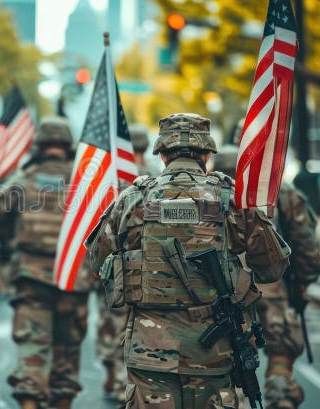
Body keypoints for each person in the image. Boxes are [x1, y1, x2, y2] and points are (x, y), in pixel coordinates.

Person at [87, 113, 290, 408]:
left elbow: (96, 261)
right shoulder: (232, 199)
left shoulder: (134, 198)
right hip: (212, 353)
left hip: (149, 354)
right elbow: (272, 268)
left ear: (162, 154)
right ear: (207, 154)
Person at [0, 116, 94, 409]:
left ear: (39, 145)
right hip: (74, 278)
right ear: (68, 145)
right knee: (67, 351)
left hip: (31, 277)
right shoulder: (86, 183)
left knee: (32, 348)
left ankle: (30, 401)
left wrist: (1, 262)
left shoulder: (22, 181)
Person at [211, 144, 320, 409]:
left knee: (231, 352)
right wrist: (303, 280)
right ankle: (279, 391)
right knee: (281, 348)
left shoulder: (208, 194)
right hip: (271, 287)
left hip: (226, 291)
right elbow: (306, 247)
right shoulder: (280, 192)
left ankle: (235, 398)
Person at [96, 123, 160, 401]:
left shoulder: (109, 178)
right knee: (141, 327)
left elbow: (100, 229)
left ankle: (115, 375)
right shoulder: (158, 179)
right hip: (150, 269)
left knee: (112, 321)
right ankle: (128, 380)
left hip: (116, 267)